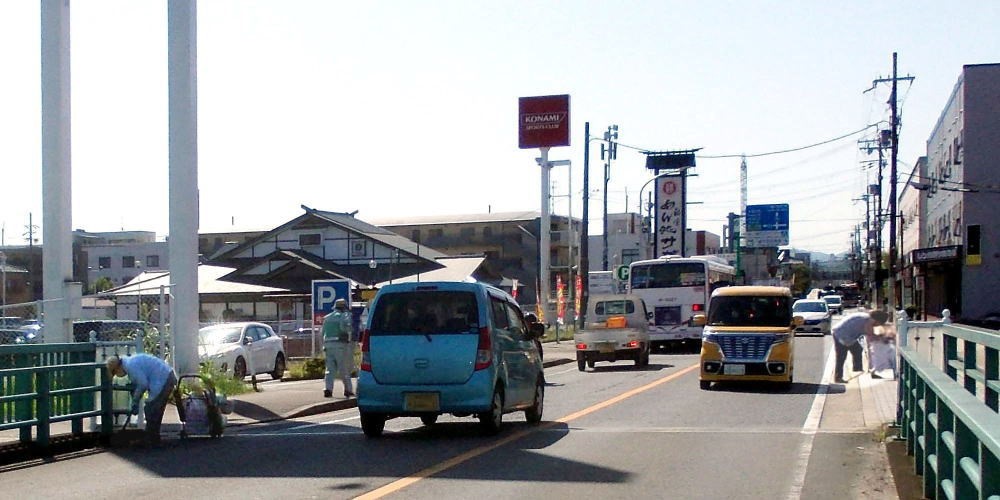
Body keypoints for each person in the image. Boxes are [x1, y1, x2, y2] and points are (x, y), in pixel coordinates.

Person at [106, 353, 179, 445]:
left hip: (162, 379)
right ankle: (153, 437)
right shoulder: (130, 362)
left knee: (151, 409)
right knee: (155, 410)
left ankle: (151, 438)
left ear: (117, 368)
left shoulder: (130, 366)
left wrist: (135, 401)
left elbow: (143, 384)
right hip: (165, 375)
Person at [831, 309, 889, 383]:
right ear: (877, 320)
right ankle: (838, 378)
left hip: (845, 334)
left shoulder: (866, 317)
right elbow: (870, 335)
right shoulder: (869, 321)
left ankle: (857, 369)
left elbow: (869, 336)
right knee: (841, 356)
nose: (877, 325)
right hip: (841, 334)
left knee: (857, 349)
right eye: (879, 324)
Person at [322, 298, 355, 398]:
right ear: (344, 307)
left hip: (328, 345)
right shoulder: (343, 316)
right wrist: (349, 332)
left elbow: (322, 332)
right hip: (340, 344)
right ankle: (348, 389)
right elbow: (344, 328)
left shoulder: (327, 318)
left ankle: (328, 389)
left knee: (329, 369)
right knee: (343, 368)